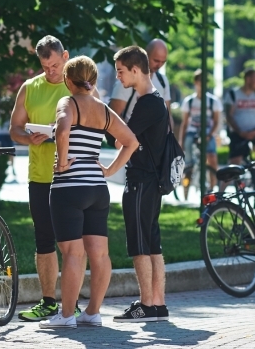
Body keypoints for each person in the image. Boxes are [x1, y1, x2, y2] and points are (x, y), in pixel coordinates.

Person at [40, 56, 137, 329]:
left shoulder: (68, 103)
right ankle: (92, 312)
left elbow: (62, 130)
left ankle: (66, 316)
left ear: (68, 80)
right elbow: (131, 141)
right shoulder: (103, 109)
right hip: (97, 188)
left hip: (69, 186)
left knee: (72, 253)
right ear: (92, 80)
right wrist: (109, 170)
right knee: (100, 255)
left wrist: (62, 162)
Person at [9, 35, 76, 322]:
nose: (50, 71)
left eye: (54, 65)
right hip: (39, 176)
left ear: (65, 56)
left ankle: (72, 303)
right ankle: (48, 301)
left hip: (71, 174)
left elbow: (96, 122)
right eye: (45, 67)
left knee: (73, 242)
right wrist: (29, 138)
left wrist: (61, 130)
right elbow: (14, 128)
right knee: (44, 240)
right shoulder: (29, 87)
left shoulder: (77, 85)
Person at [112, 45, 171, 323]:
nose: (118, 77)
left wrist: (109, 169)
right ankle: (158, 304)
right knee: (152, 244)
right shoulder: (156, 100)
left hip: (140, 182)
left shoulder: (147, 103)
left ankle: (146, 304)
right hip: (152, 182)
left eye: (121, 72)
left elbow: (124, 140)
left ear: (135, 70)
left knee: (139, 245)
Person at [179, 69, 222, 197]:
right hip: (192, 132)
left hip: (207, 133)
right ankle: (185, 189)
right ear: (195, 82)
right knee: (189, 163)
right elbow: (184, 123)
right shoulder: (189, 101)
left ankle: (213, 188)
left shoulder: (213, 101)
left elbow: (216, 122)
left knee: (212, 158)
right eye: (199, 81)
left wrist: (210, 135)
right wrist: (181, 140)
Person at [109, 39, 172, 124]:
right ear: (146, 55)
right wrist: (130, 132)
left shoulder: (163, 81)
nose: (159, 65)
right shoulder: (128, 79)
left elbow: (168, 116)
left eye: (163, 62)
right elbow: (113, 116)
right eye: (156, 60)